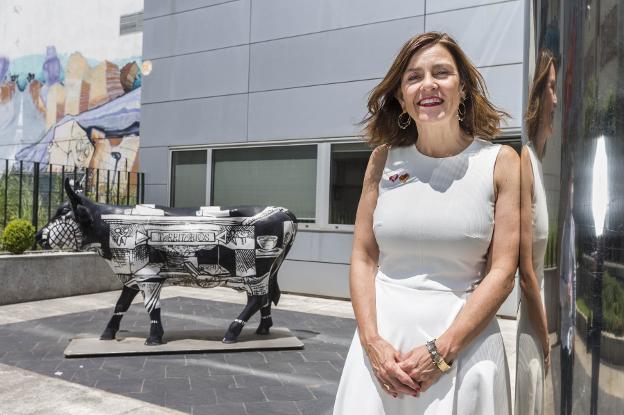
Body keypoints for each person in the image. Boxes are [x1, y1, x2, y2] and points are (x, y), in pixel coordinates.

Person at [333, 32, 520, 414]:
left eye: (441, 73)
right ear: (401, 97)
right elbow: (364, 256)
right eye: (414, 77)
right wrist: (373, 343)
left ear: (463, 89)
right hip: (383, 352)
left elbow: (502, 271)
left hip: (465, 346)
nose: (428, 84)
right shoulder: (382, 160)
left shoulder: (501, 162)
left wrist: (442, 351)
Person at [515, 48, 557, 415]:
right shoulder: (524, 161)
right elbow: (526, 272)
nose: (556, 99)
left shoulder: (540, 163)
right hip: (533, 329)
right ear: (538, 94)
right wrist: (545, 339)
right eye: (552, 88)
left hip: (540, 326)